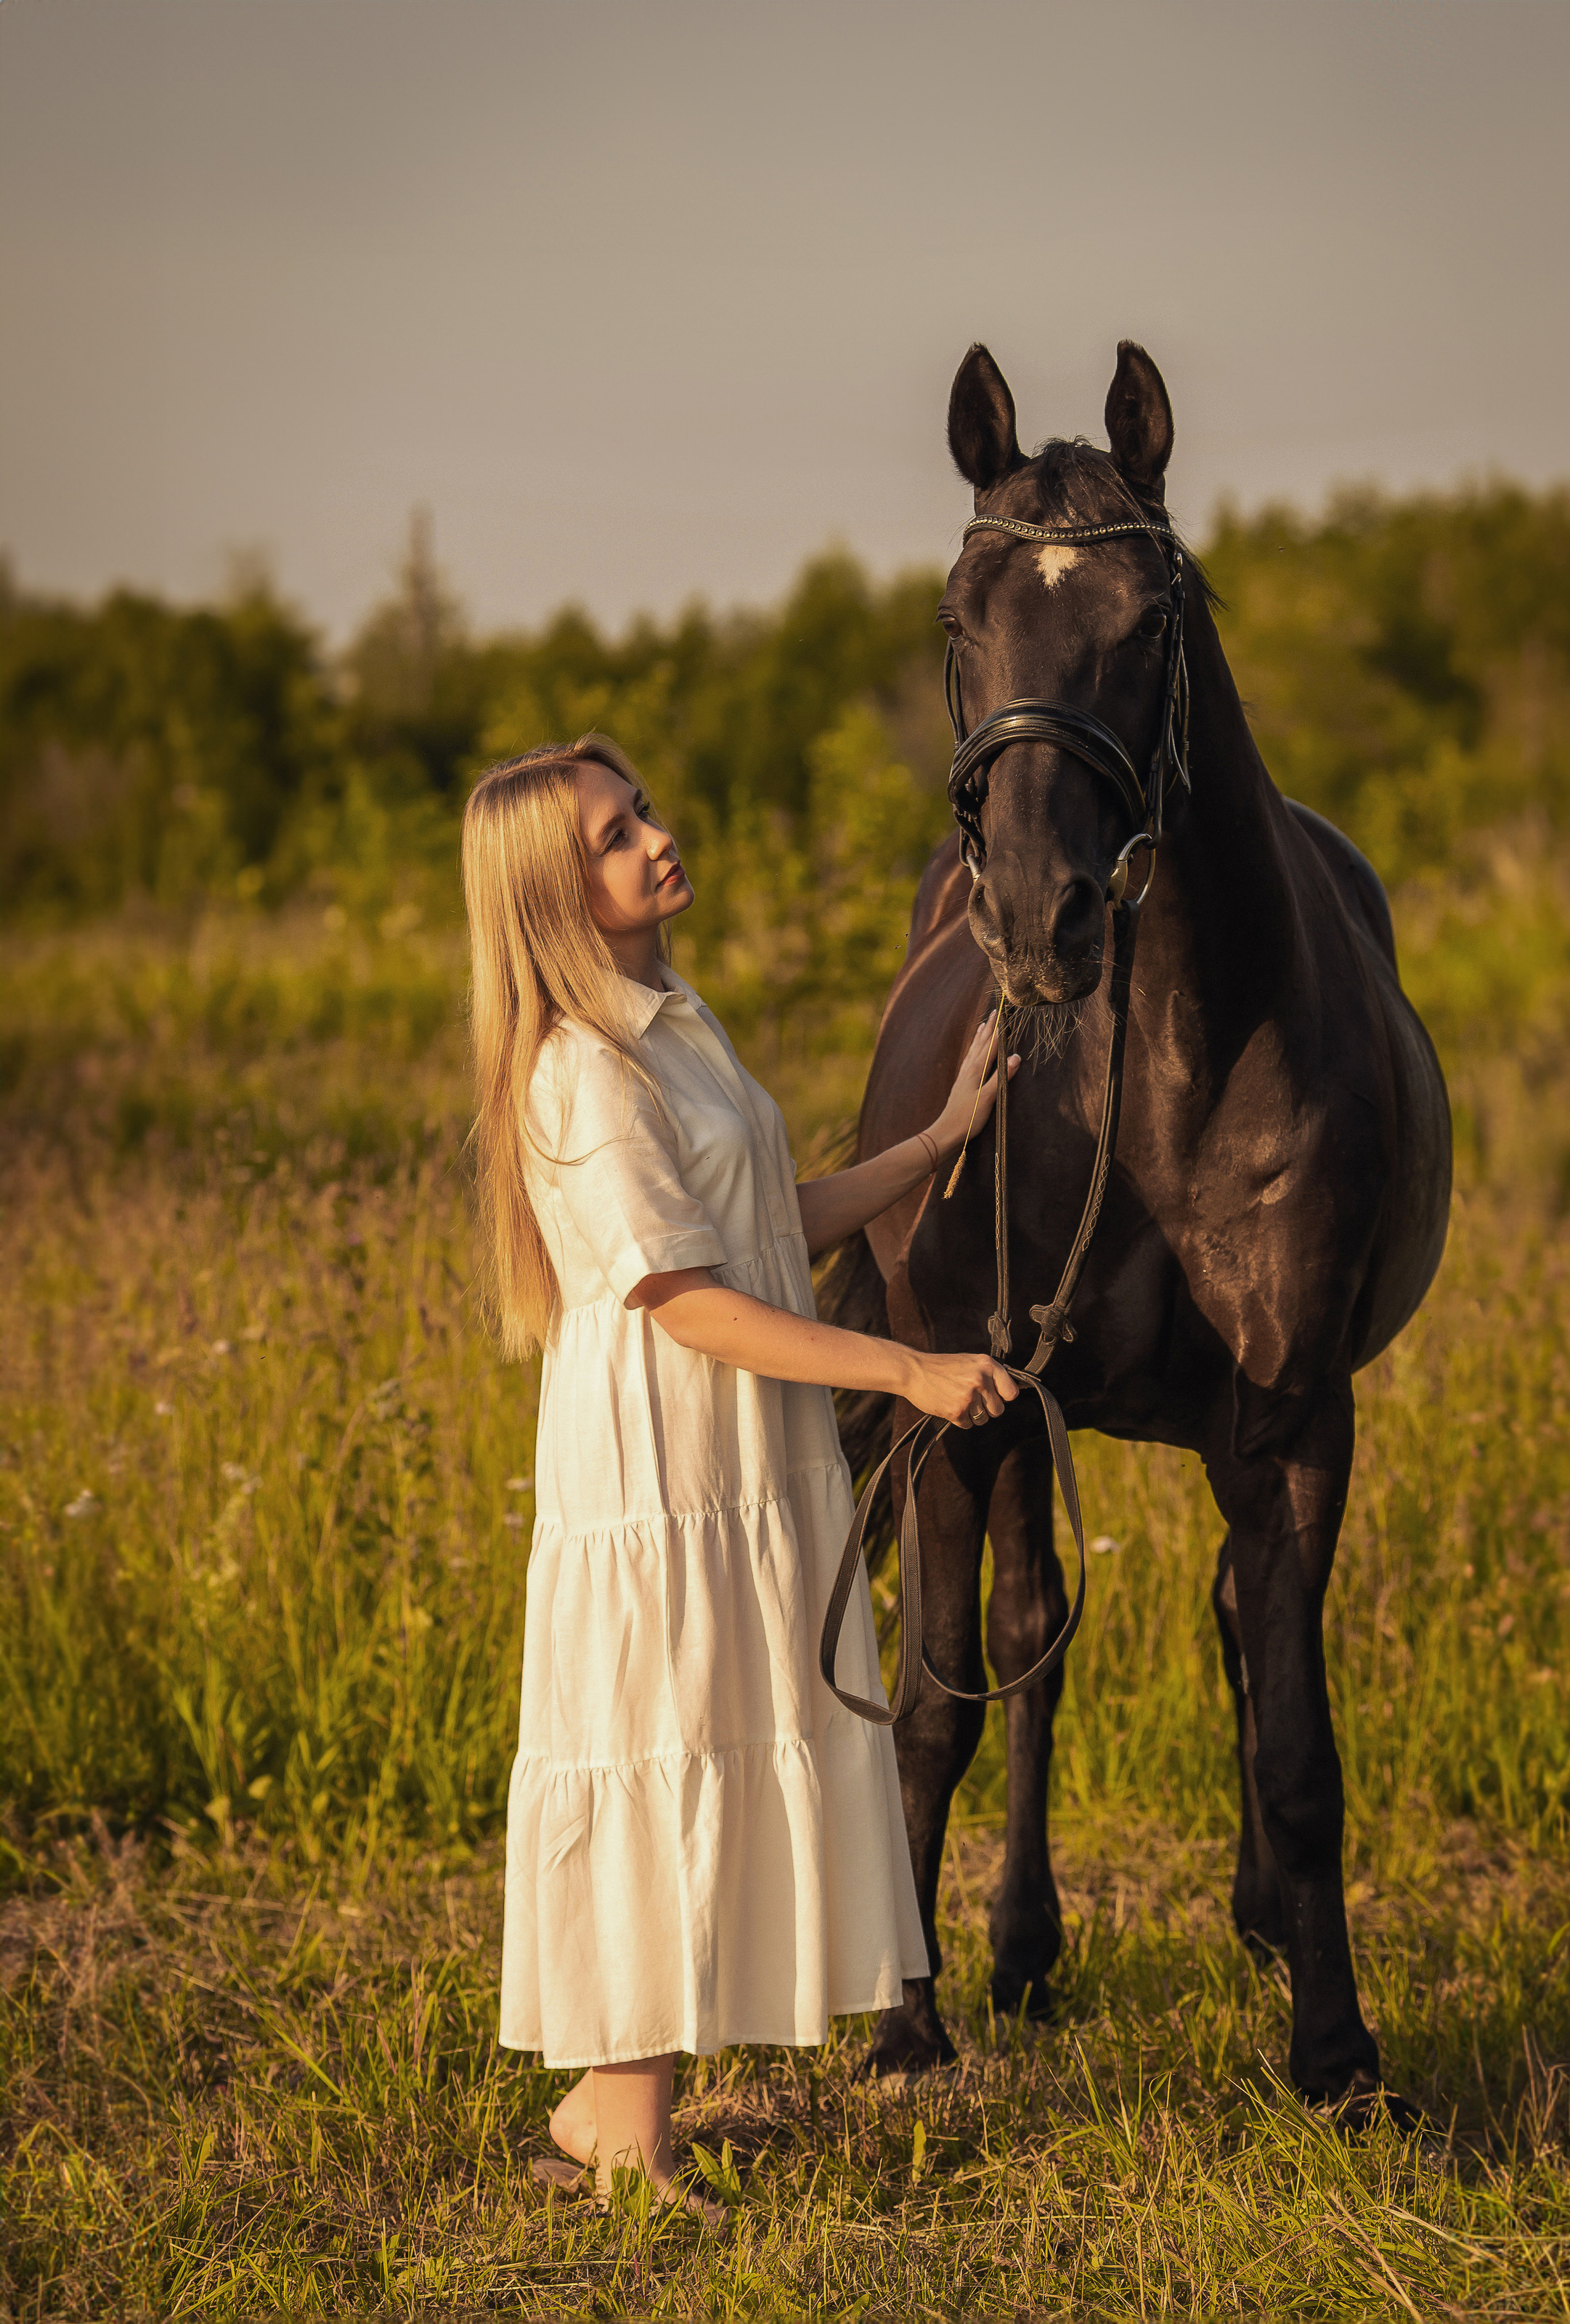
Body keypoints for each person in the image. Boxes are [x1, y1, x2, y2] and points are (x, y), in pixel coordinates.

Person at [460, 731, 1019, 2225]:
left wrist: (940, 1138)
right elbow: (687, 1301)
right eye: (608, 835)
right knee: (660, 1739)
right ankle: (629, 2140)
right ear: (550, 896)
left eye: (639, 809)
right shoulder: (578, 1071)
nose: (652, 837)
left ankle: (603, 2104)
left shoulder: (671, 1021)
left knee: (712, 1734)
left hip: (735, 1450)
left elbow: (774, 1220)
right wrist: (904, 1374)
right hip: (663, 1457)